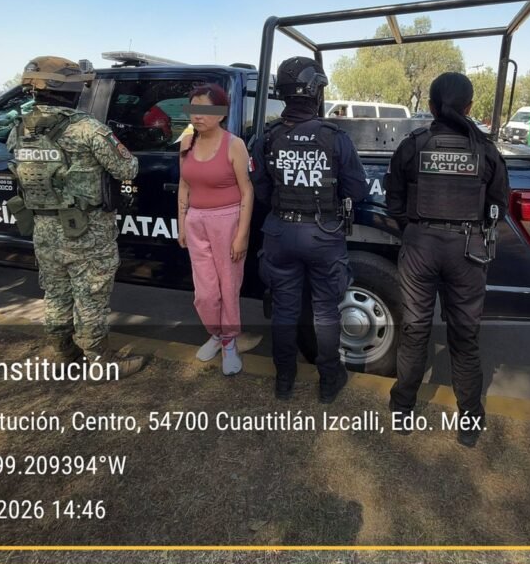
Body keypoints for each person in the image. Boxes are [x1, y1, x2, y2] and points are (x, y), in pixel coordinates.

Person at [385, 72, 509, 447]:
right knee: (465, 337)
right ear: (469, 107)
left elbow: (394, 203)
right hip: (468, 251)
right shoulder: (486, 150)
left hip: (420, 248)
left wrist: (418, 230)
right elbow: (498, 208)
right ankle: (469, 421)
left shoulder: (413, 145)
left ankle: (402, 410)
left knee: (414, 331)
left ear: (431, 106)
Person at [7, 56, 145, 379]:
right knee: (91, 296)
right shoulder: (87, 129)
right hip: (86, 230)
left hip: (44, 227)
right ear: (71, 90)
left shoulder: (20, 130)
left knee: (56, 293)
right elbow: (128, 168)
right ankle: (98, 362)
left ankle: (62, 353)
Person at [250, 56, 367, 402]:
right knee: (325, 311)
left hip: (280, 233)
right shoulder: (335, 137)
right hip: (322, 234)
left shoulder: (267, 137)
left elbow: (261, 188)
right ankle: (329, 380)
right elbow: (357, 190)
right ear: (315, 91)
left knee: (285, 309)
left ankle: (284, 380)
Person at [177, 83, 254, 376]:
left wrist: (241, 235)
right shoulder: (186, 142)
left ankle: (229, 341)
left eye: (205, 109)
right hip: (196, 221)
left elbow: (247, 191)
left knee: (228, 287)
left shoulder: (234, 144)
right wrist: (182, 223)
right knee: (205, 293)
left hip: (228, 221)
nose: (197, 116)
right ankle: (216, 333)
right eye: (194, 108)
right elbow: (184, 186)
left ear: (221, 113)